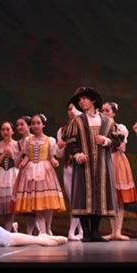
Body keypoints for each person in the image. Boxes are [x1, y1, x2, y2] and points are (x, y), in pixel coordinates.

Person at [62, 86, 122, 242]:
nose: (81, 102)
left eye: (84, 99)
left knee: (100, 195)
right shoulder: (77, 121)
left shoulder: (107, 121)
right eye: (80, 100)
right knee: (83, 195)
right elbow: (71, 141)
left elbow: (117, 139)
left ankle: (95, 231)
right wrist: (77, 154)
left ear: (93, 100)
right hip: (84, 165)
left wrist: (106, 140)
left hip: (102, 165)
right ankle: (86, 232)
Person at [13, 114, 65, 235]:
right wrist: (24, 162)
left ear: (43, 125)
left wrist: (54, 161)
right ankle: (43, 232)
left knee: (48, 202)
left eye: (38, 123)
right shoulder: (28, 140)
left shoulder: (49, 140)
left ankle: (48, 227)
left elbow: (51, 156)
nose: (35, 126)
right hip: (31, 172)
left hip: (45, 172)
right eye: (33, 123)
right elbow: (27, 155)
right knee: (38, 203)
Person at [101, 101, 136, 241]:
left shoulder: (120, 127)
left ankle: (118, 231)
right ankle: (112, 231)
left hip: (117, 161)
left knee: (119, 199)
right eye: (103, 110)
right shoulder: (99, 129)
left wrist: (117, 136)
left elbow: (122, 148)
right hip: (105, 161)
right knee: (110, 199)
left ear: (113, 113)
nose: (104, 113)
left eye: (107, 110)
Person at [56, 103, 84, 240]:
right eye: (69, 108)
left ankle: (73, 231)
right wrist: (60, 146)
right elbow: (59, 154)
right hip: (68, 167)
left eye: (75, 108)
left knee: (79, 200)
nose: (72, 111)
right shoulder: (62, 130)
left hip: (82, 168)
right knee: (73, 201)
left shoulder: (85, 128)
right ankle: (80, 231)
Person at [0, 121, 20, 231]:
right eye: (3, 129)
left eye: (7, 129)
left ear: (12, 131)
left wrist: (12, 155)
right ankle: (9, 226)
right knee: (2, 206)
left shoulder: (18, 145)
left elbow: (19, 164)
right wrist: (2, 155)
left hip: (13, 176)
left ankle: (9, 226)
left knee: (11, 204)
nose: (5, 132)